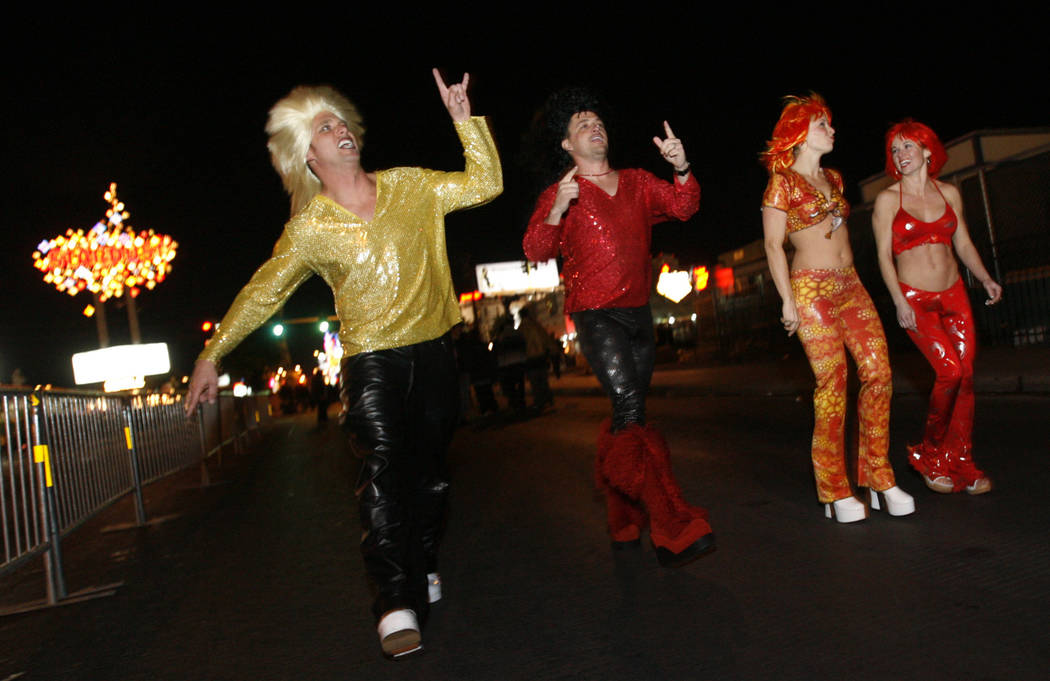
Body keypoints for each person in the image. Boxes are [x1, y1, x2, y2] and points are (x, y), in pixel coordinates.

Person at [183, 70, 502, 659]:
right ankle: (393, 603)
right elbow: (263, 291)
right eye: (323, 128)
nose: (339, 130)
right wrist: (212, 352)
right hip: (370, 363)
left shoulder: (412, 185)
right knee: (382, 472)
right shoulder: (309, 229)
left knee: (430, 477)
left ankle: (424, 561)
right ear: (308, 156)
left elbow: (484, 184)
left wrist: (465, 122)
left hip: (434, 351)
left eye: (341, 122)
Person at [523, 87, 713, 567]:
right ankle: (671, 524)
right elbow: (535, 250)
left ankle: (621, 516)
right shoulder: (561, 192)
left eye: (598, 120)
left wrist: (682, 166)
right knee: (630, 406)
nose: (595, 127)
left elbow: (685, 206)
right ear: (566, 144)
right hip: (595, 314)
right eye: (582, 123)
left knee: (630, 416)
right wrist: (555, 209)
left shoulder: (636, 182)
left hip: (638, 313)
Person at [760, 94, 914, 523]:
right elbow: (773, 245)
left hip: (851, 286)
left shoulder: (834, 178)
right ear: (800, 133)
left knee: (879, 372)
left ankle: (879, 477)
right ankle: (834, 489)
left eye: (830, 123)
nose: (832, 131)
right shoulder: (782, 181)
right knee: (832, 383)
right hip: (811, 291)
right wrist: (787, 300)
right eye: (823, 124)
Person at [872, 120, 1001, 495]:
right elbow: (882, 256)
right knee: (949, 370)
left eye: (908, 147)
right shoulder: (886, 200)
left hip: (954, 294)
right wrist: (898, 300)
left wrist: (986, 278)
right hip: (915, 299)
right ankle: (930, 454)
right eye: (895, 150)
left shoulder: (949, 193)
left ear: (928, 151)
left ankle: (960, 459)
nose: (901, 156)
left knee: (966, 377)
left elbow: (963, 243)